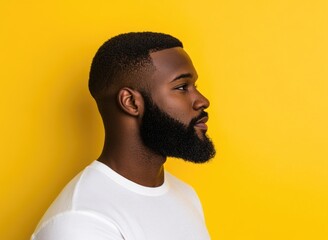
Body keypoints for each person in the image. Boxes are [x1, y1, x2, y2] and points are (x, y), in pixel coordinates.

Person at [31, 32, 216, 240]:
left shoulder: (186, 195)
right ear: (131, 102)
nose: (202, 101)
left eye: (195, 87)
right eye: (182, 87)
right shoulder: (81, 223)